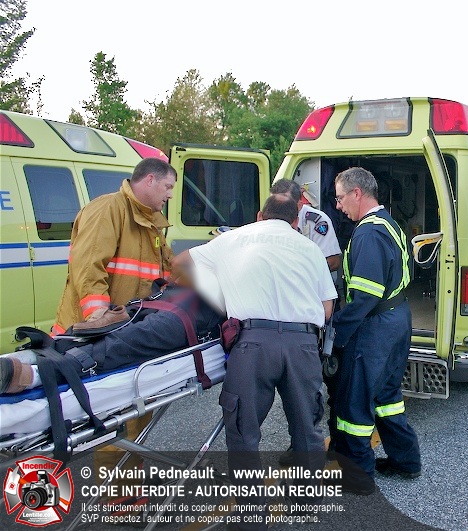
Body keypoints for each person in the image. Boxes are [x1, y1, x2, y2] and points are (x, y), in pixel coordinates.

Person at [177, 194, 337, 526]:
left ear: (259, 215)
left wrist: (219, 295)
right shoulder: (311, 249)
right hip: (303, 345)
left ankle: (253, 517)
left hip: (253, 344)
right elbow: (326, 309)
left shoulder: (233, 239)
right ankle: (305, 503)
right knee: (307, 428)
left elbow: (180, 263)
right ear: (296, 221)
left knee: (244, 432)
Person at [50, 156, 177, 491]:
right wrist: (98, 317)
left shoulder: (148, 222)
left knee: (135, 415)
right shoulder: (108, 210)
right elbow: (88, 268)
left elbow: (165, 271)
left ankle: (130, 481)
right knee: (114, 420)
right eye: (167, 187)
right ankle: (120, 498)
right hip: (97, 336)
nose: (170, 195)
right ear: (149, 180)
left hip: (128, 335)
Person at [330, 167, 421, 495]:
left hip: (376, 328)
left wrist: (336, 330)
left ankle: (358, 475)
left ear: (357, 193)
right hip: (397, 318)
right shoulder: (389, 223)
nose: (338, 206)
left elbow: (366, 296)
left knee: (355, 402)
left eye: (340, 198)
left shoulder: (368, 233)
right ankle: (406, 460)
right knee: (387, 396)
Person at [0, 285, 223, 395]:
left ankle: (34, 375)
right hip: (174, 301)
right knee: (98, 331)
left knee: (126, 341)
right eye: (166, 189)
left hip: (195, 313)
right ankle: (27, 358)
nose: (161, 211)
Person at [270, 179, 344, 465]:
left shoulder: (316, 221)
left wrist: (300, 266)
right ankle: (300, 443)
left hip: (316, 308)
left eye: (287, 203)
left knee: (320, 382)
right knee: (294, 386)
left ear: (300, 200)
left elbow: (334, 259)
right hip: (285, 308)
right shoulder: (270, 220)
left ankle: (331, 443)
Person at [270, 179, 342, 272]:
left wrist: (300, 273)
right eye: (273, 204)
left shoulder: (317, 221)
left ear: (299, 205)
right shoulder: (269, 220)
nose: (278, 209)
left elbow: (333, 262)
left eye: (284, 205)